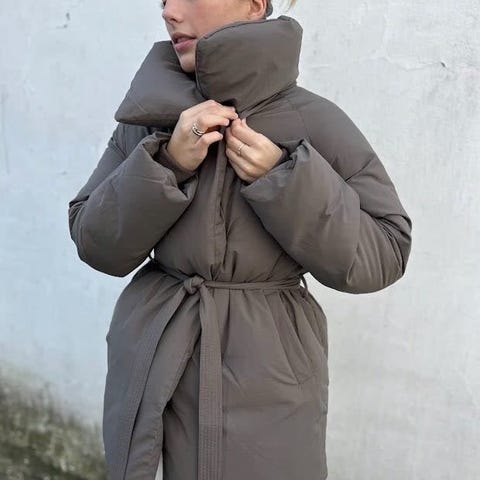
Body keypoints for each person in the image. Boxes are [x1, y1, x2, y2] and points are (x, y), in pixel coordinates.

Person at [67, 0, 413, 479]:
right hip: (149, 361)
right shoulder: (150, 116)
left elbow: (385, 251)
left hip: (268, 381)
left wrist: (286, 179)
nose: (169, 12)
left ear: (255, 4)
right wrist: (166, 165)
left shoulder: (314, 122)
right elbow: (94, 240)